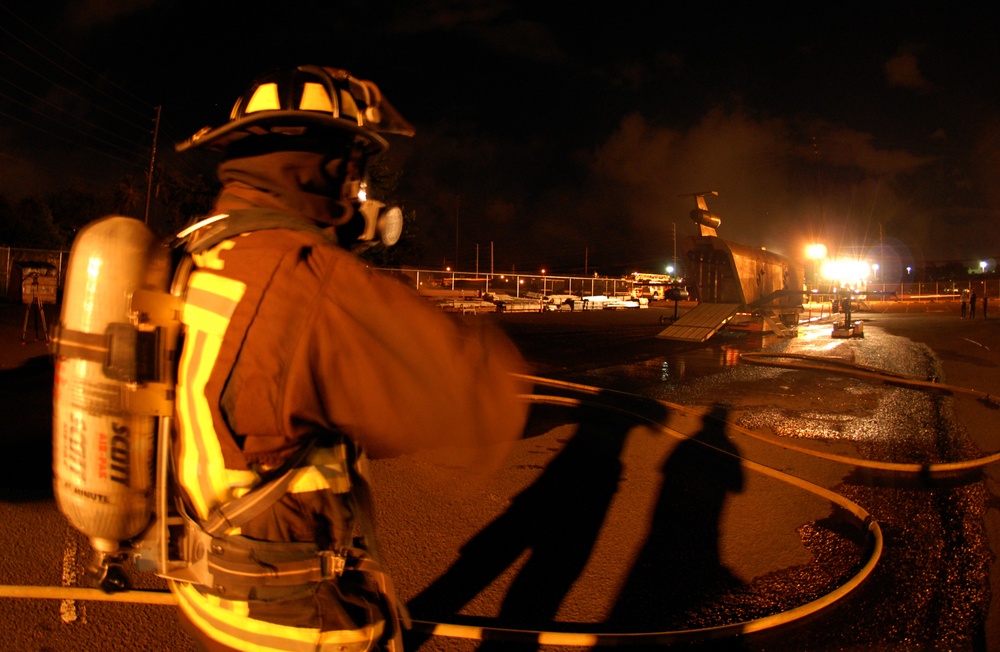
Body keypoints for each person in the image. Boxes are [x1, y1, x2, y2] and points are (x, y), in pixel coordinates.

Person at [168, 65, 529, 652]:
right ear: (338, 164)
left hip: (213, 587)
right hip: (293, 618)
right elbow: (473, 399)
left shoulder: (204, 249)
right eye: (356, 169)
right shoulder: (309, 281)